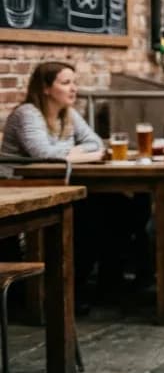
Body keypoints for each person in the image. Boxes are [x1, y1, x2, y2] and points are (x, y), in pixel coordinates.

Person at [2, 62, 141, 307]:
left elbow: (96, 143)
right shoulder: (28, 113)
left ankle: (106, 286)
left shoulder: (68, 113)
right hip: (19, 186)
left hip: (57, 183)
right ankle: (65, 290)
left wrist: (71, 153)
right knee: (91, 214)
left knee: (122, 207)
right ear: (45, 88)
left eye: (74, 82)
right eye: (66, 83)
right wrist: (75, 152)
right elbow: (43, 154)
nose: (73, 89)